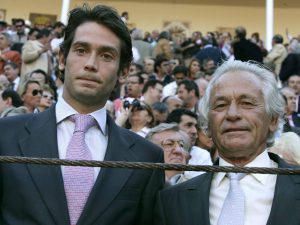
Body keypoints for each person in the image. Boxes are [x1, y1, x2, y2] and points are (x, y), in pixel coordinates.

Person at [0, 4, 164, 225]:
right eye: (81, 50)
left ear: (124, 72)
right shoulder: (6, 135)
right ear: (61, 59)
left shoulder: (147, 157)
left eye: (106, 55)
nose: (90, 64)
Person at [155, 60, 300, 225]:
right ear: (208, 123)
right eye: (221, 105)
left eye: (247, 103)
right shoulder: (172, 201)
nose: (232, 114)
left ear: (273, 119)